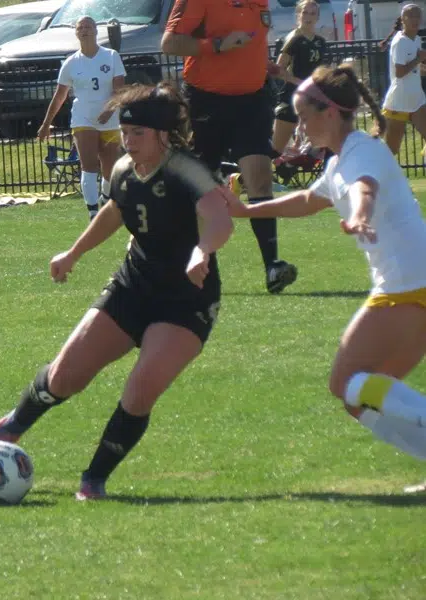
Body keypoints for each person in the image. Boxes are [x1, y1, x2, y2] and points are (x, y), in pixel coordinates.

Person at [0, 83, 234, 500]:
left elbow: (219, 219)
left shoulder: (186, 168)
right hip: (133, 285)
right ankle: (13, 425)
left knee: (139, 391)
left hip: (185, 299)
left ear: (161, 135)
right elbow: (116, 211)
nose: (128, 141)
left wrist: (202, 251)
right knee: (66, 375)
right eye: (125, 132)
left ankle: (93, 479)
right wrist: (73, 253)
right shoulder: (122, 168)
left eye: (138, 134)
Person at [225, 63, 426, 468]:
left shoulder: (360, 152)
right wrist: (246, 212)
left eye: (303, 118)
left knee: (345, 384)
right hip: (411, 279)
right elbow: (308, 201)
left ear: (330, 113)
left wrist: (360, 215)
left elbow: (363, 187)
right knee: (363, 396)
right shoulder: (339, 162)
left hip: (406, 282)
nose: (299, 128)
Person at [161, 0, 298, 294]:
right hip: (206, 99)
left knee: (260, 176)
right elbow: (170, 43)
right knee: (201, 185)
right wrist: (218, 44)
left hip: (253, 99)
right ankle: (194, 265)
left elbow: (252, 41)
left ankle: (272, 266)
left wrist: (262, 66)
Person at [37, 16, 126, 220]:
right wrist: (46, 124)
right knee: (88, 165)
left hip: (110, 120)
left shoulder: (111, 56)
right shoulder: (71, 63)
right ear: (76, 33)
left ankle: (105, 196)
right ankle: (93, 211)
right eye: (81, 27)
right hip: (83, 119)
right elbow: (60, 96)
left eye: (88, 26)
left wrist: (109, 110)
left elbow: (119, 89)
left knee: (109, 168)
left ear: (96, 30)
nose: (85, 30)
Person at [271, 0, 327, 155]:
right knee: (275, 151)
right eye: (305, 13)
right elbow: (278, 70)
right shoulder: (293, 39)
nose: (308, 17)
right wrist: (301, 83)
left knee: (321, 145)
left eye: (312, 13)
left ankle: (293, 160)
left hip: (312, 100)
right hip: (291, 98)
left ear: (317, 17)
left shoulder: (320, 42)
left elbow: (321, 71)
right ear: (298, 15)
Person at [381, 4, 426, 155]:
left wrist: (421, 67)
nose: (415, 19)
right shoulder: (400, 42)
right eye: (410, 16)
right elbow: (400, 72)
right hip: (399, 101)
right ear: (403, 19)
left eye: (417, 16)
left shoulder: (417, 39)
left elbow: (413, 69)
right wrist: (419, 59)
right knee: (391, 150)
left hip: (417, 99)